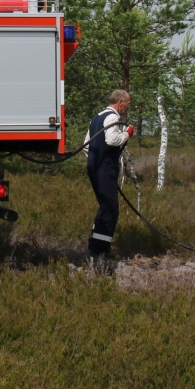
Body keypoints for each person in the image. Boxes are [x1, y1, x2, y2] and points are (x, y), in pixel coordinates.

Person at [85, 89, 134, 272]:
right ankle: (99, 251)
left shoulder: (97, 117)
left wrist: (93, 162)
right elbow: (112, 140)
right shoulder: (112, 118)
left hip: (95, 167)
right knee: (111, 209)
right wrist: (127, 133)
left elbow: (87, 143)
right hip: (105, 168)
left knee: (105, 207)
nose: (127, 108)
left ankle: (96, 245)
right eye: (127, 104)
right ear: (120, 102)